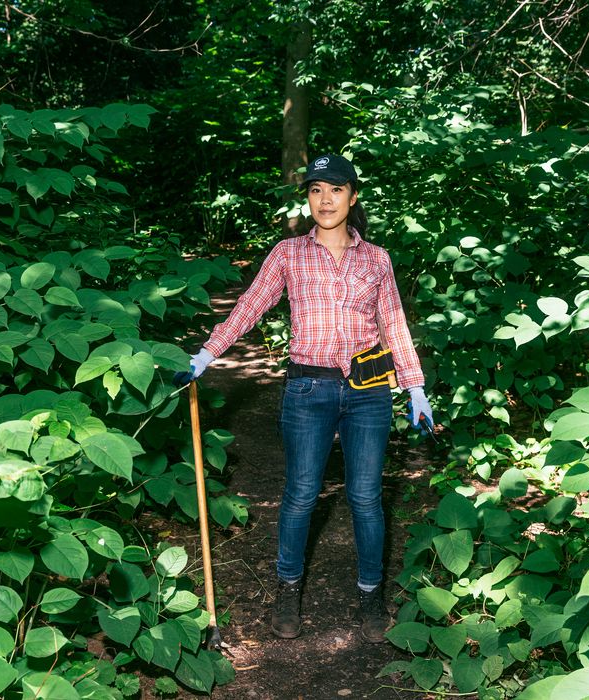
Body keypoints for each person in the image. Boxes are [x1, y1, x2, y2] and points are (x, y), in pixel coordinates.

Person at [177, 154, 433, 643]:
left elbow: (393, 324)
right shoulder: (288, 253)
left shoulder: (376, 259)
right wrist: (207, 354)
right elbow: (251, 305)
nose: (325, 199)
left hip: (369, 391)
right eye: (316, 190)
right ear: (308, 199)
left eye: (336, 190)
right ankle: (288, 589)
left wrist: (413, 385)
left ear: (353, 197)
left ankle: (370, 596)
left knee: (365, 498)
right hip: (307, 388)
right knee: (299, 496)